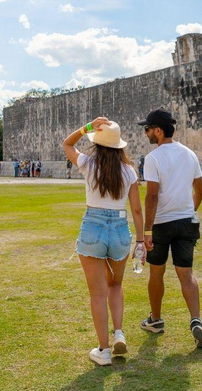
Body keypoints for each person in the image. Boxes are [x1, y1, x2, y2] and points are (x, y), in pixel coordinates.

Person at [62, 117, 144, 366]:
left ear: (98, 143)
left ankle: (104, 349)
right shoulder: (129, 171)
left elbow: (67, 145)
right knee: (115, 285)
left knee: (97, 294)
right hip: (120, 227)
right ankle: (119, 331)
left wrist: (87, 127)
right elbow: (137, 210)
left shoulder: (89, 164)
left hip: (93, 225)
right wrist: (141, 242)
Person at [137, 108, 202, 348]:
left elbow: (152, 197)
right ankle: (196, 320)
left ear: (158, 131)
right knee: (186, 274)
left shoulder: (154, 158)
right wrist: (190, 212)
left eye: (147, 129)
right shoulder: (190, 154)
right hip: (186, 222)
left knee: (156, 273)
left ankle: (156, 320)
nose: (146, 133)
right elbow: (199, 191)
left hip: (161, 224)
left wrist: (147, 232)